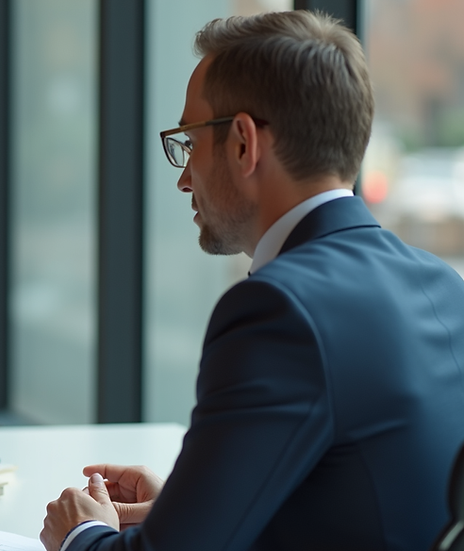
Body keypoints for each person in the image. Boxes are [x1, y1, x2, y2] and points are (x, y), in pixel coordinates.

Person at [41, 10, 464, 551]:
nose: (183, 177)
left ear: (243, 142)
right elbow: (364, 500)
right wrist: (192, 504)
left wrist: (82, 532)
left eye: (190, 141)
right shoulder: (439, 282)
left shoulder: (279, 309)